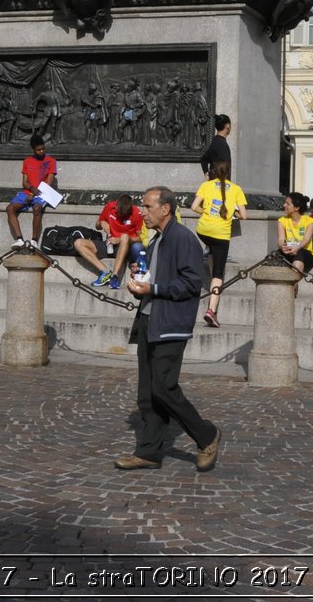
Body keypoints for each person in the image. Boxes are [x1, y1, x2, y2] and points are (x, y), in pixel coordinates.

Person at [114, 186, 221, 473]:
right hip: (150, 318)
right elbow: (158, 277)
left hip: (171, 324)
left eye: (148, 207)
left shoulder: (183, 238)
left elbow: (190, 284)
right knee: (148, 392)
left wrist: (154, 288)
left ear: (166, 208)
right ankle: (148, 452)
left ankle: (206, 435)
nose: (142, 212)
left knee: (164, 387)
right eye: (143, 206)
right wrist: (141, 286)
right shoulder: (158, 239)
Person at [191, 160, 247, 329]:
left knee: (212, 250)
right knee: (218, 274)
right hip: (221, 234)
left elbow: (194, 207)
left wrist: (206, 212)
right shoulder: (236, 189)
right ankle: (211, 310)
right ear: (229, 172)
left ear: (213, 171)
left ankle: (209, 255)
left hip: (203, 230)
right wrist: (232, 212)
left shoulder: (206, 185)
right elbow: (244, 215)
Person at [6, 135, 58, 247]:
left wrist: (33, 193)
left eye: (43, 148)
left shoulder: (51, 161)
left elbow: (49, 182)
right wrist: (30, 189)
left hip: (42, 193)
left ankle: (34, 240)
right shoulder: (27, 161)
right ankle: (19, 239)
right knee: (10, 208)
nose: (41, 151)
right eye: (38, 150)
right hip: (28, 192)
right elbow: (24, 182)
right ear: (33, 149)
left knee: (37, 208)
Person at [90, 193, 144, 288]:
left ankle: (114, 275)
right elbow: (97, 226)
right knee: (79, 243)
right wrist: (102, 223)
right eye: (118, 213)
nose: (120, 217)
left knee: (124, 237)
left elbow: (141, 238)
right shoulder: (110, 206)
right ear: (116, 205)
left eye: (123, 215)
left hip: (126, 246)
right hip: (110, 244)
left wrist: (120, 239)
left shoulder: (136, 214)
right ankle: (105, 272)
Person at [275, 192, 313, 275]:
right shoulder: (282, 220)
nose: (284, 205)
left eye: (287, 204)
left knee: (299, 253)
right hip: (288, 252)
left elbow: (306, 239)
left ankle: (292, 283)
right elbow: (281, 239)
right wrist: (282, 246)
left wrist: (296, 248)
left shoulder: (310, 221)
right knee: (276, 254)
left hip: (305, 254)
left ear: (296, 208)